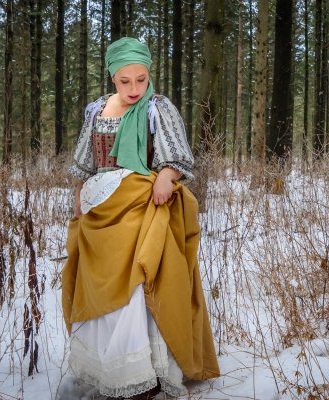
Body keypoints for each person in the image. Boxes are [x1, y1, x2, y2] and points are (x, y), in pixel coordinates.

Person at [62, 37, 220, 399]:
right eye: (125, 81)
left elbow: (177, 157)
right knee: (100, 286)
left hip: (142, 203)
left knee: (137, 283)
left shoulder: (158, 108)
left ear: (149, 75)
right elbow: (84, 163)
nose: (134, 88)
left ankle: (144, 374)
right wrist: (79, 196)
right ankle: (110, 369)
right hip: (101, 207)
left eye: (141, 80)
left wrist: (166, 175)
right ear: (112, 78)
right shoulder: (98, 110)